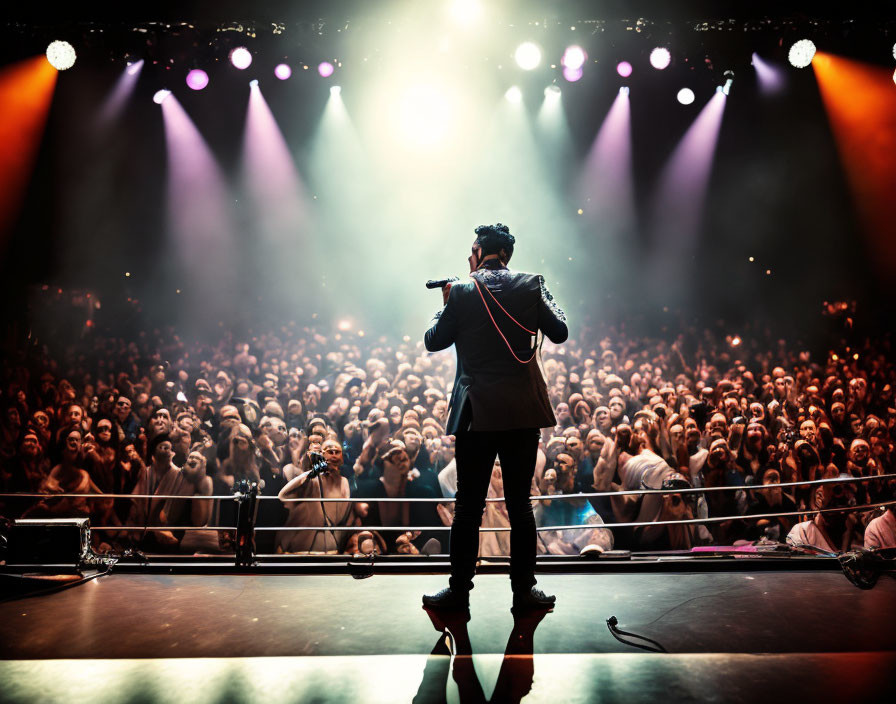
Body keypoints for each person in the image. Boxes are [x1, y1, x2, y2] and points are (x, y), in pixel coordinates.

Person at [421, 223, 568, 614]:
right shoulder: (532, 283)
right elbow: (560, 330)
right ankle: (524, 593)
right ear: (508, 255)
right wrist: (544, 294)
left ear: (478, 250)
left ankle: (458, 594)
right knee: (520, 505)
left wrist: (447, 300)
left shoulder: (463, 290)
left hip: (476, 413)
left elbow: (433, 339)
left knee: (468, 507)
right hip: (522, 411)